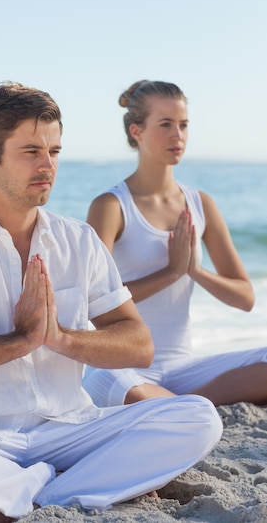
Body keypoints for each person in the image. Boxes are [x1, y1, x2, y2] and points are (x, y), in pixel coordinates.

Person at [0, 81, 222, 523]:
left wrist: (59, 337)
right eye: (31, 152)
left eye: (54, 152)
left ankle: (25, 498)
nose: (48, 166)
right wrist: (19, 341)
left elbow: (138, 343)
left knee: (197, 418)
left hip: (67, 431)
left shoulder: (77, 240)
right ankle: (72, 488)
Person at [83, 79, 267, 410]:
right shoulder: (111, 206)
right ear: (136, 131)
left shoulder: (200, 203)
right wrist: (171, 272)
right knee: (107, 382)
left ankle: (176, 405)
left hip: (185, 368)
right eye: (165, 124)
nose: (177, 135)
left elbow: (245, 298)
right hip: (126, 369)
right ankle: (188, 406)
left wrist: (194, 270)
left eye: (183, 125)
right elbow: (92, 301)